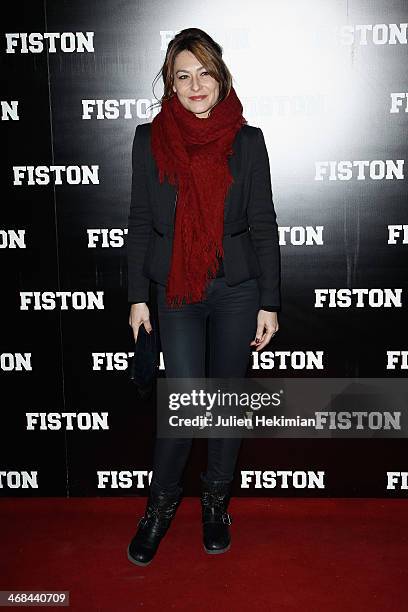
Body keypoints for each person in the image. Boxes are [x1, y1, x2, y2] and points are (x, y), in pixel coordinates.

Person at [126, 28, 281, 566]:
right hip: (176, 288)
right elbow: (140, 223)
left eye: (204, 73)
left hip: (237, 290)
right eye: (182, 76)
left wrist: (270, 302)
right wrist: (136, 297)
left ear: (220, 76)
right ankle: (161, 504)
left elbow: (263, 225)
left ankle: (215, 502)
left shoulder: (248, 141)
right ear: (170, 84)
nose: (195, 86)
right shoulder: (150, 139)